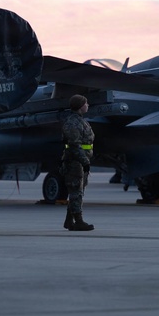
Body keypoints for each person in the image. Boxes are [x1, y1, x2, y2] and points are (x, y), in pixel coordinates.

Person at [61, 94, 95, 231]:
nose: (88, 105)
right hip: (74, 162)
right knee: (76, 192)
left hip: (80, 161)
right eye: (86, 103)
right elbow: (74, 145)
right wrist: (85, 161)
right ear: (80, 106)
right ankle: (79, 221)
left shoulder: (80, 121)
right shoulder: (72, 123)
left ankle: (69, 221)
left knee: (78, 191)